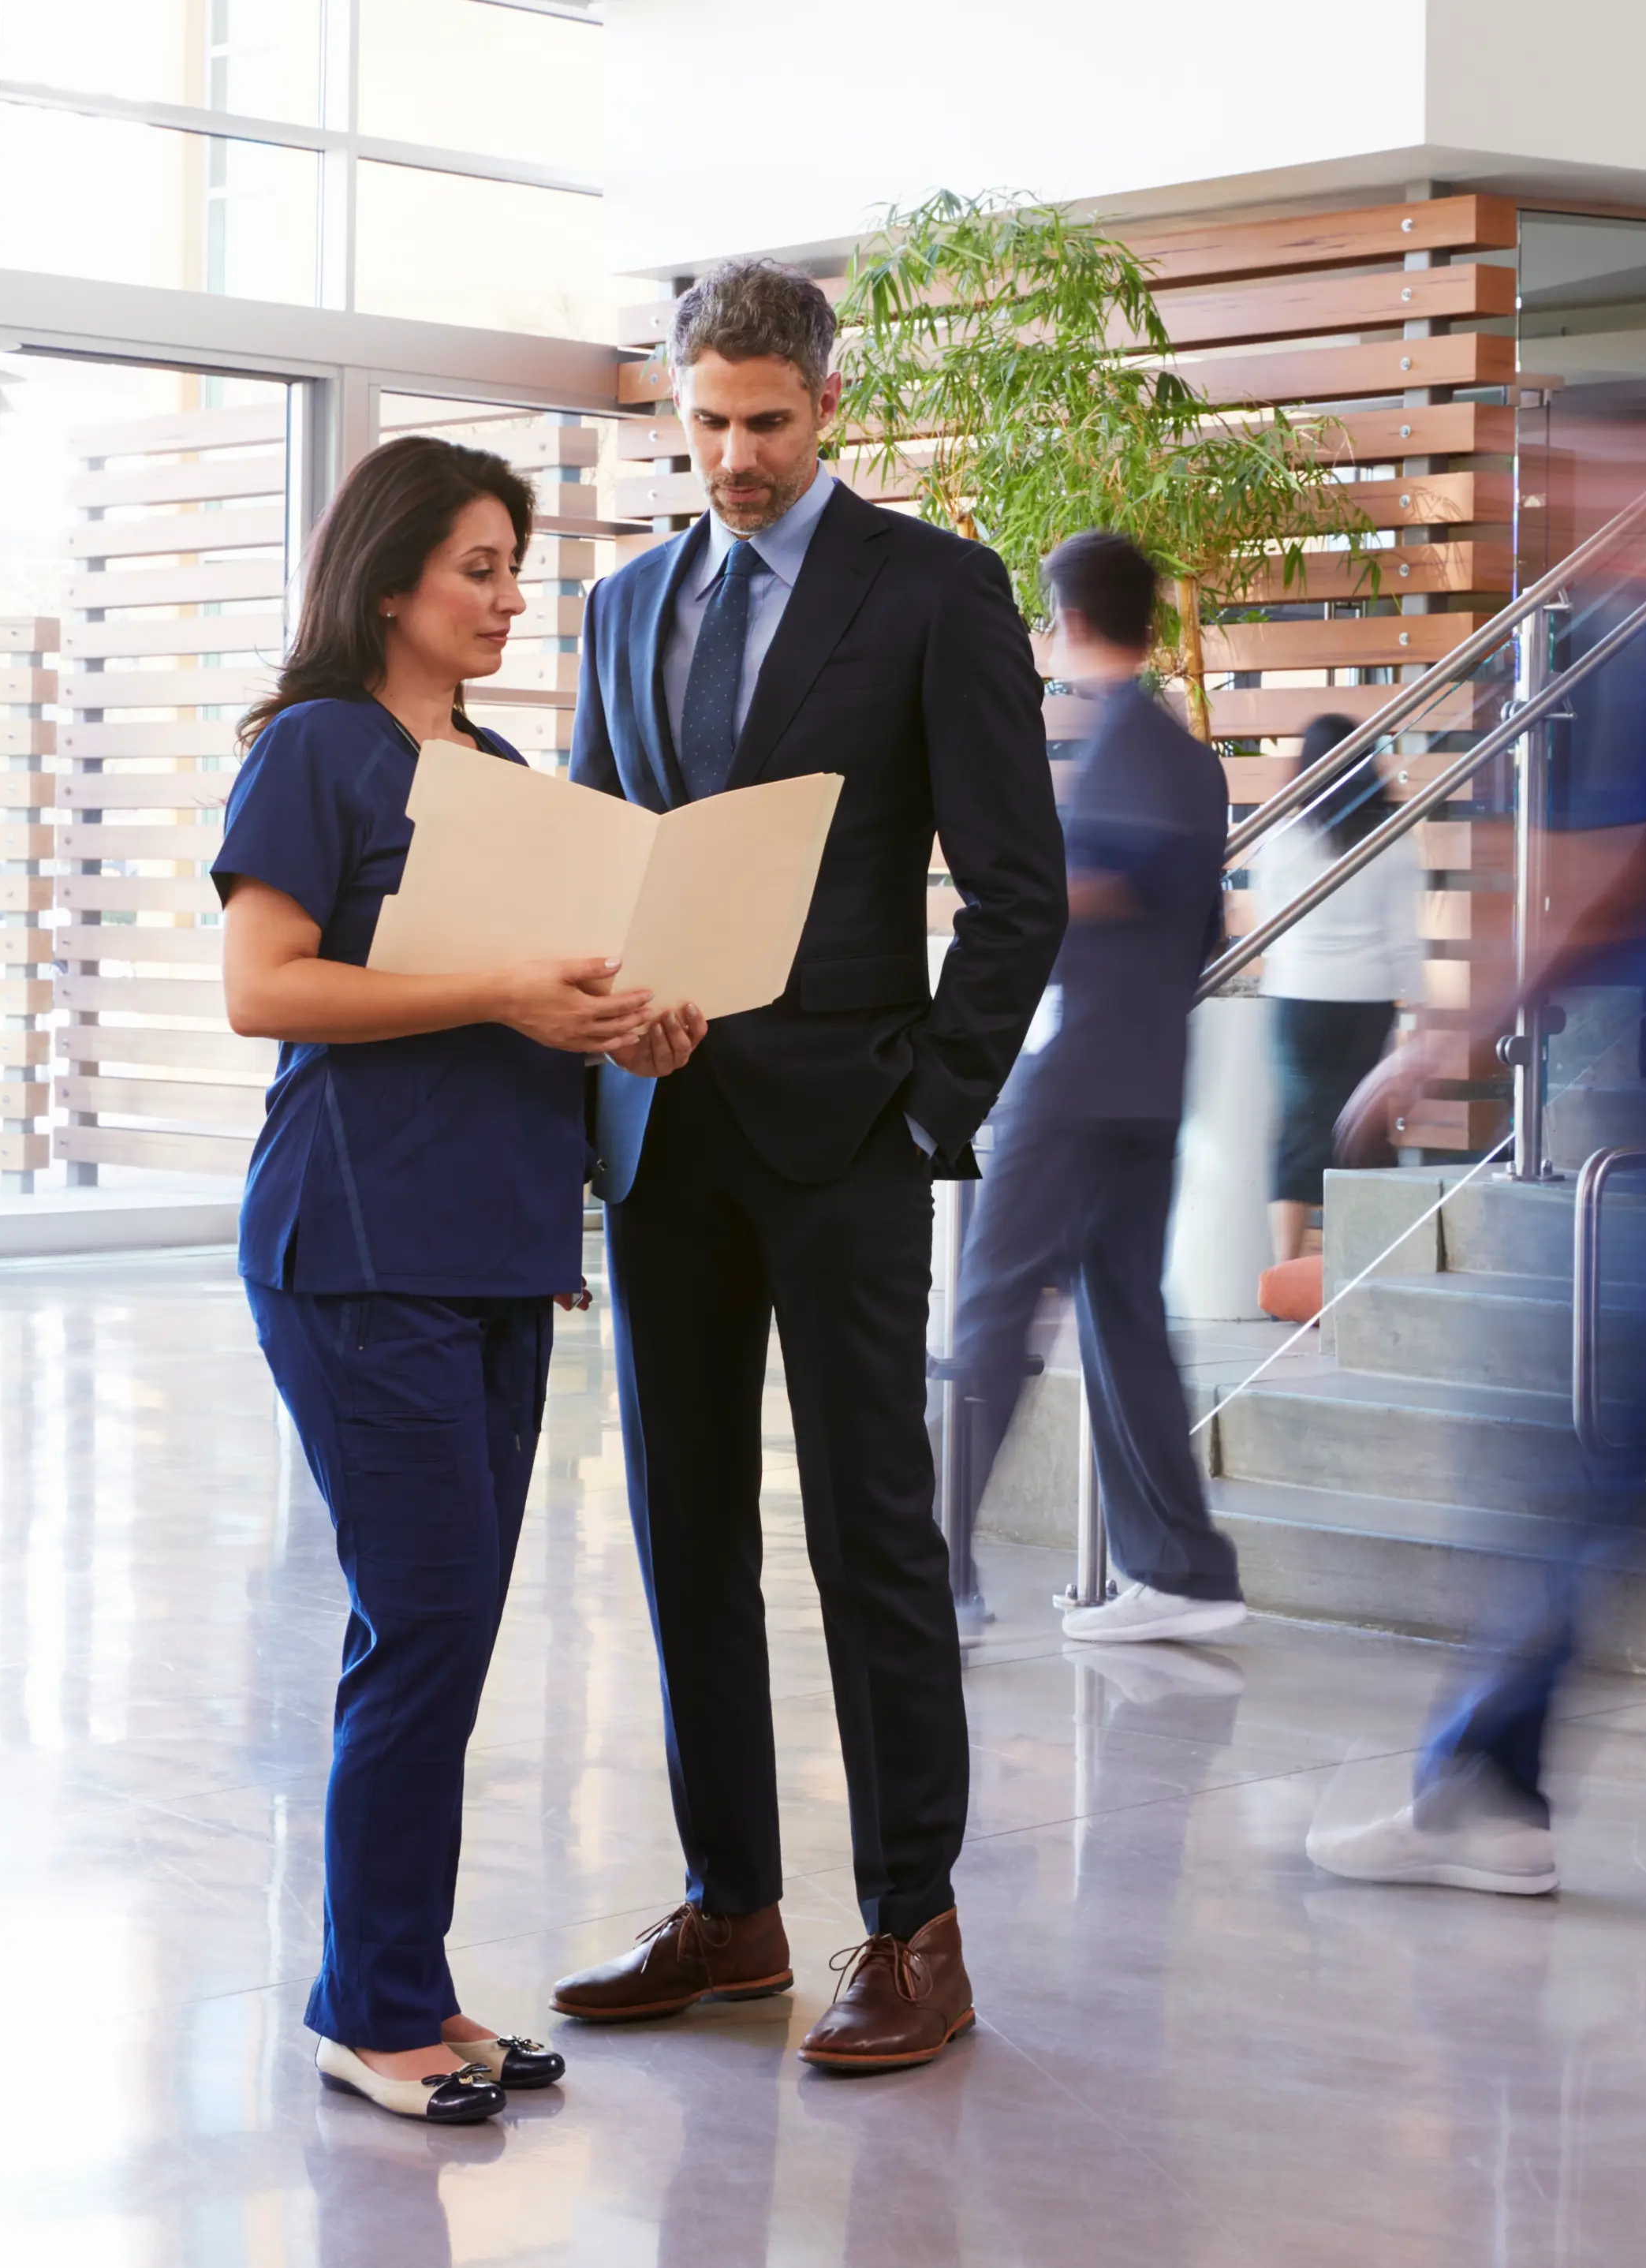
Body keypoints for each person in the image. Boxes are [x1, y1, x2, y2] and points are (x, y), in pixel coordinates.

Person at [553, 259, 1067, 2075]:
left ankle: (915, 1928)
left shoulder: (934, 593)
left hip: (849, 1138)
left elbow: (1022, 892)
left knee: (870, 1537)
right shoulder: (624, 605)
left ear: (830, 405)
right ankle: (734, 1908)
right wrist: (608, 1034)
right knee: (682, 1532)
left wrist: (927, 1108)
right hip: (664, 1136)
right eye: (706, 422)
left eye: (767, 422)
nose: (736, 455)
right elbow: (597, 864)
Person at [215, 435, 707, 2125]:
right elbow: (262, 987)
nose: (506, 597)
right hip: (356, 1250)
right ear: (385, 578)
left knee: (442, 1624)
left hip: (495, 1250)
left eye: (513, 567)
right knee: (419, 1616)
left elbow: (531, 1010)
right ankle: (367, 2003)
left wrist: (625, 1020)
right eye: (475, 567)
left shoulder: (495, 769)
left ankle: (402, 1978)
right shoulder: (315, 750)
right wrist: (503, 986)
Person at [1308, 398, 1646, 1896]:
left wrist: (1451, 1029)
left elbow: (1615, 879)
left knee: (1573, 1480)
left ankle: (1483, 1791)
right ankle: (1489, 1788)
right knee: (1586, 1487)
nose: (1570, 503)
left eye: (1597, 474)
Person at [945, 532, 1246, 1649]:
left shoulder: (1120, 746)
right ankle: (1180, 1569)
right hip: (1151, 1077)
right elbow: (1202, 924)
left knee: (987, 1305)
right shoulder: (1186, 755)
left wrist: (1014, 883)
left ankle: (934, 1578)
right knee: (1121, 1315)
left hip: (1073, 1077)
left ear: (1062, 620)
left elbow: (1093, 889)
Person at [1254, 710, 1425, 1271]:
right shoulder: (1389, 838)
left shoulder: (1280, 836)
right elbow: (1404, 938)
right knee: (1359, 1130)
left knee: (1299, 1128)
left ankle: (1285, 1270)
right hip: (1366, 1001)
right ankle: (1355, 1271)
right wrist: (1418, 1014)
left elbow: (1266, 924)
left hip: (1298, 996)